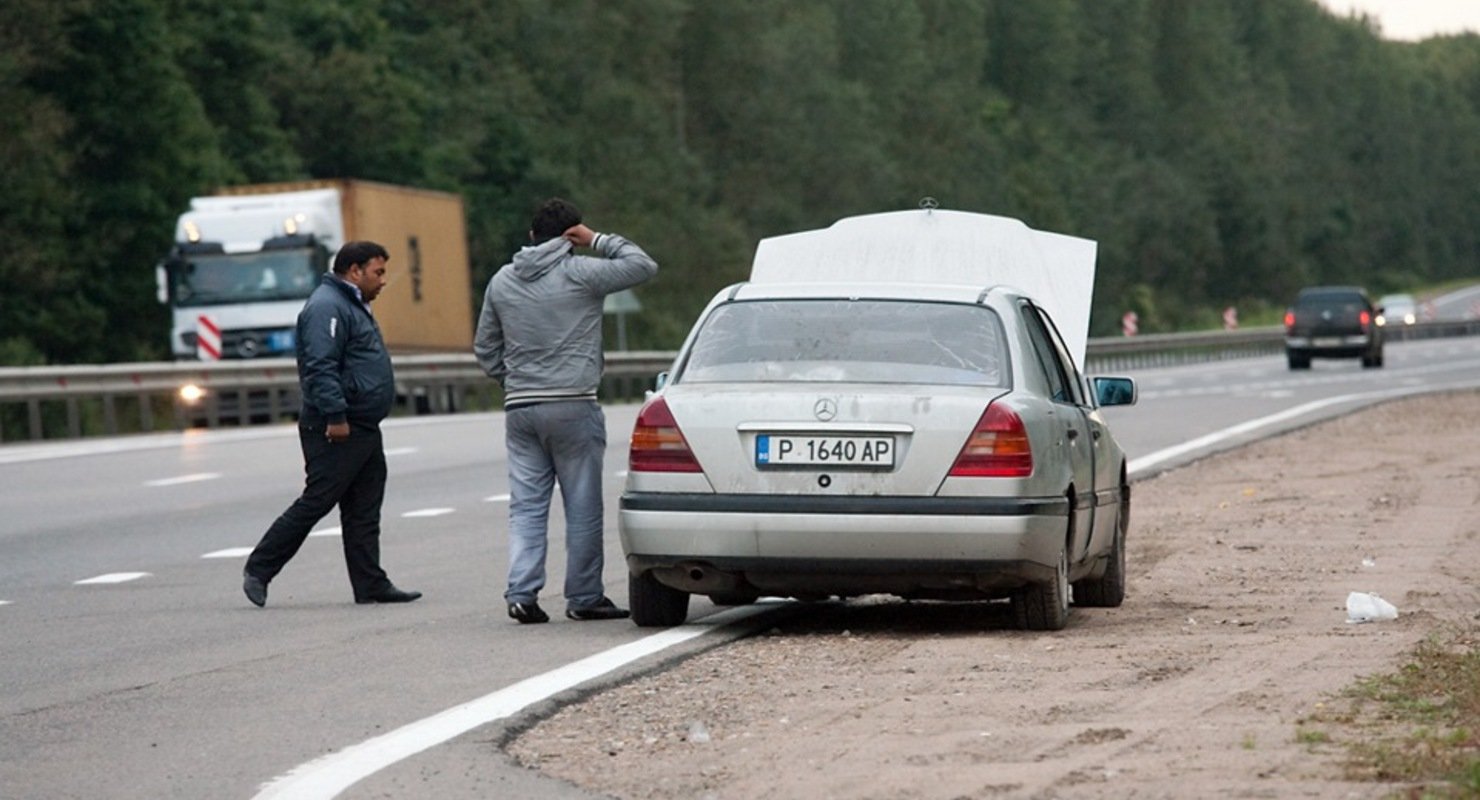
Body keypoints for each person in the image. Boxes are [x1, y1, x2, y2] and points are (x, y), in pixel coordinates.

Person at [475, 198, 658, 624]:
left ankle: (521, 593)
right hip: (573, 405)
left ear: (531, 236)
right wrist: (598, 239)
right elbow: (643, 265)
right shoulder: (582, 273)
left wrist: (514, 381)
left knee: (526, 507)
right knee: (581, 506)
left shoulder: (502, 281)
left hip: (521, 409)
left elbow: (485, 347)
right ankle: (584, 596)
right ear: (570, 237)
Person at [242, 241, 422, 608]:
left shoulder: (352, 304)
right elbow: (320, 366)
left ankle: (371, 583)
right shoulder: (328, 307)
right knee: (318, 501)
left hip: (363, 425)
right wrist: (336, 416)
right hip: (338, 426)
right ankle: (259, 568)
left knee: (363, 509)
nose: (383, 280)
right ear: (354, 271)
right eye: (378, 272)